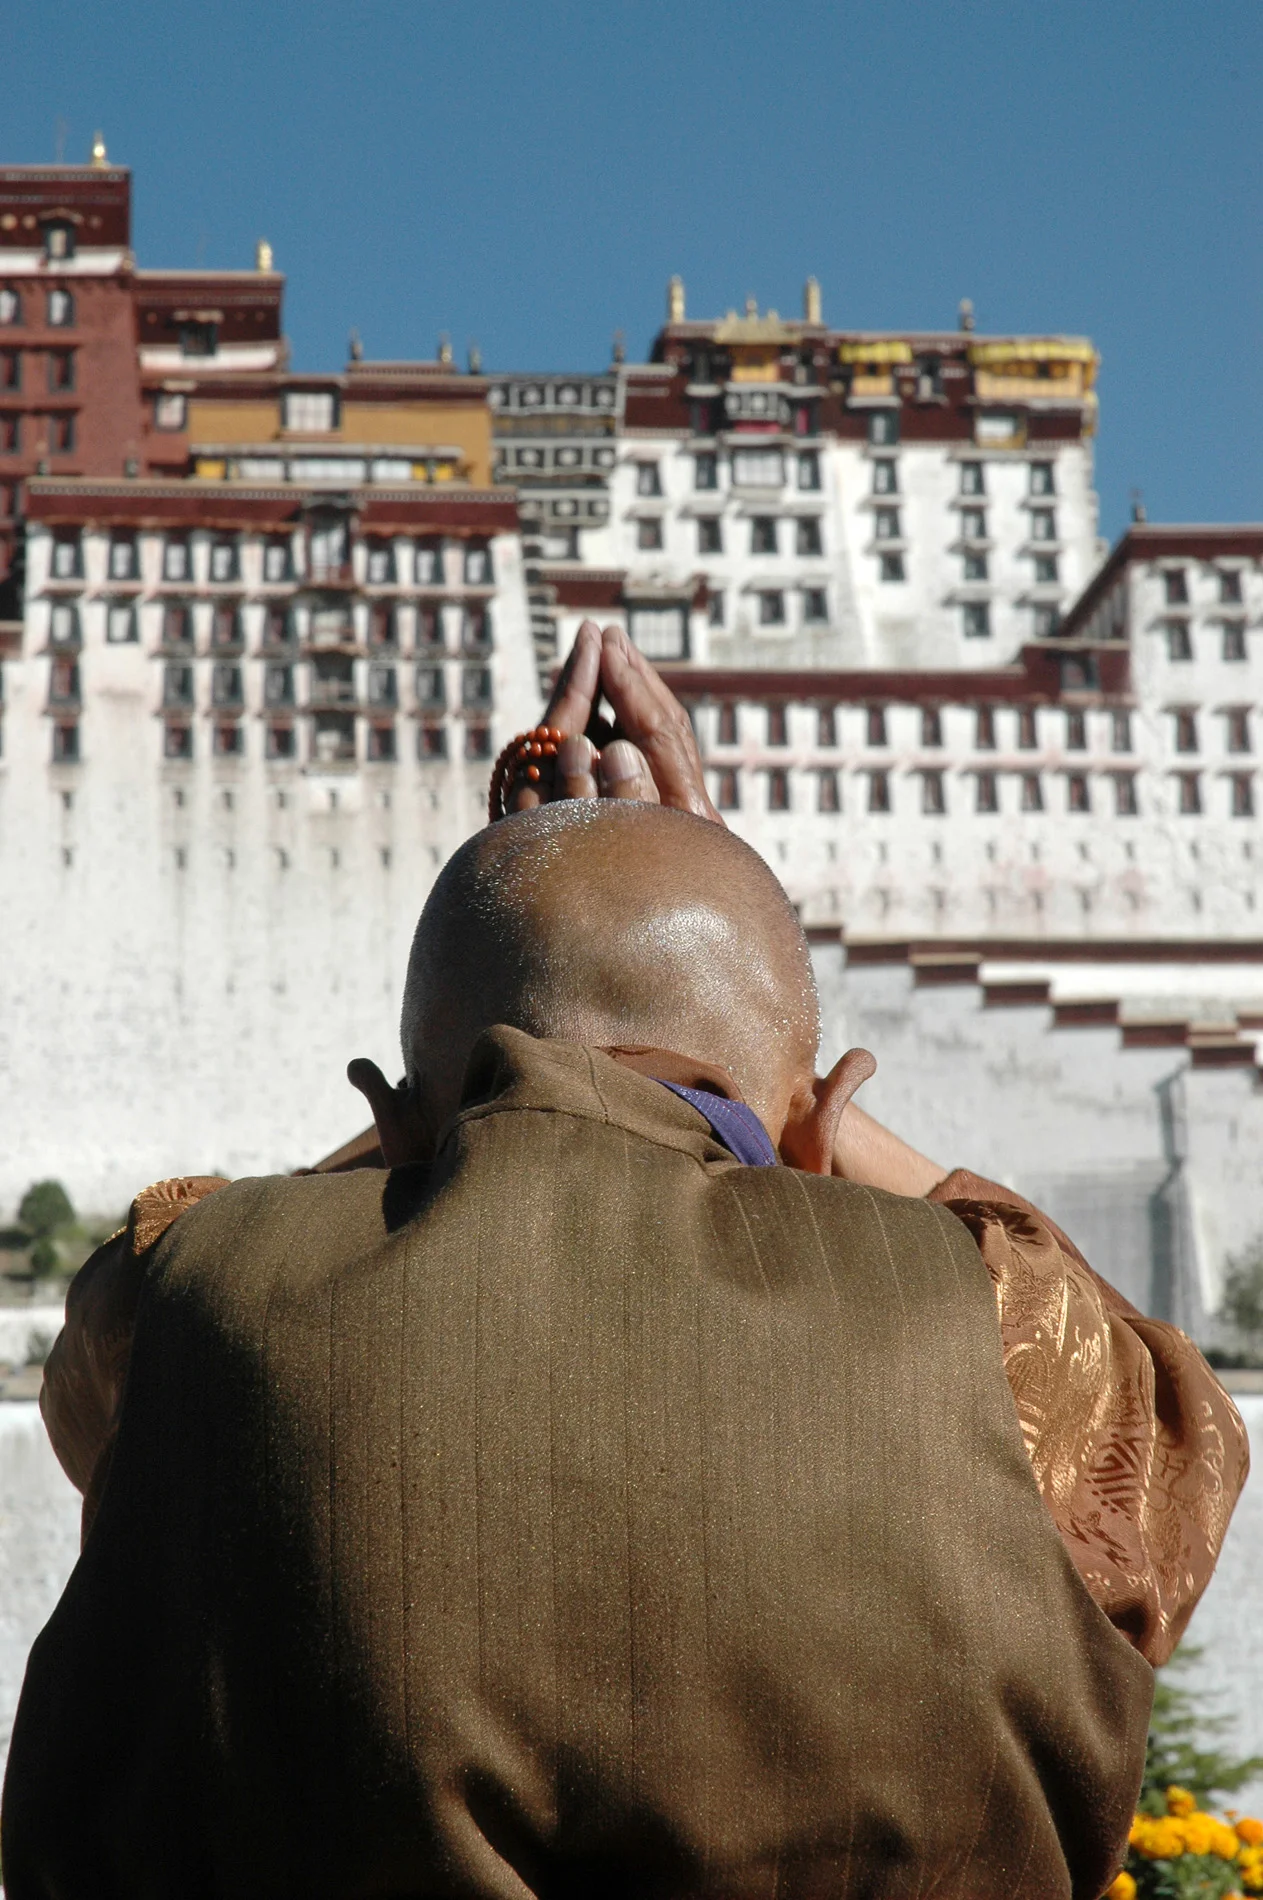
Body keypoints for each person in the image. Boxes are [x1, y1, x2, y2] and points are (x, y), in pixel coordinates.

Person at [1, 625, 1248, 1900]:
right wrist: (788, 1065)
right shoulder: (1003, 1337)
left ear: (389, 1117)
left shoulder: (191, 1307)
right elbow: (1175, 1440)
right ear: (824, 1119)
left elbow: (108, 1346)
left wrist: (433, 1115)